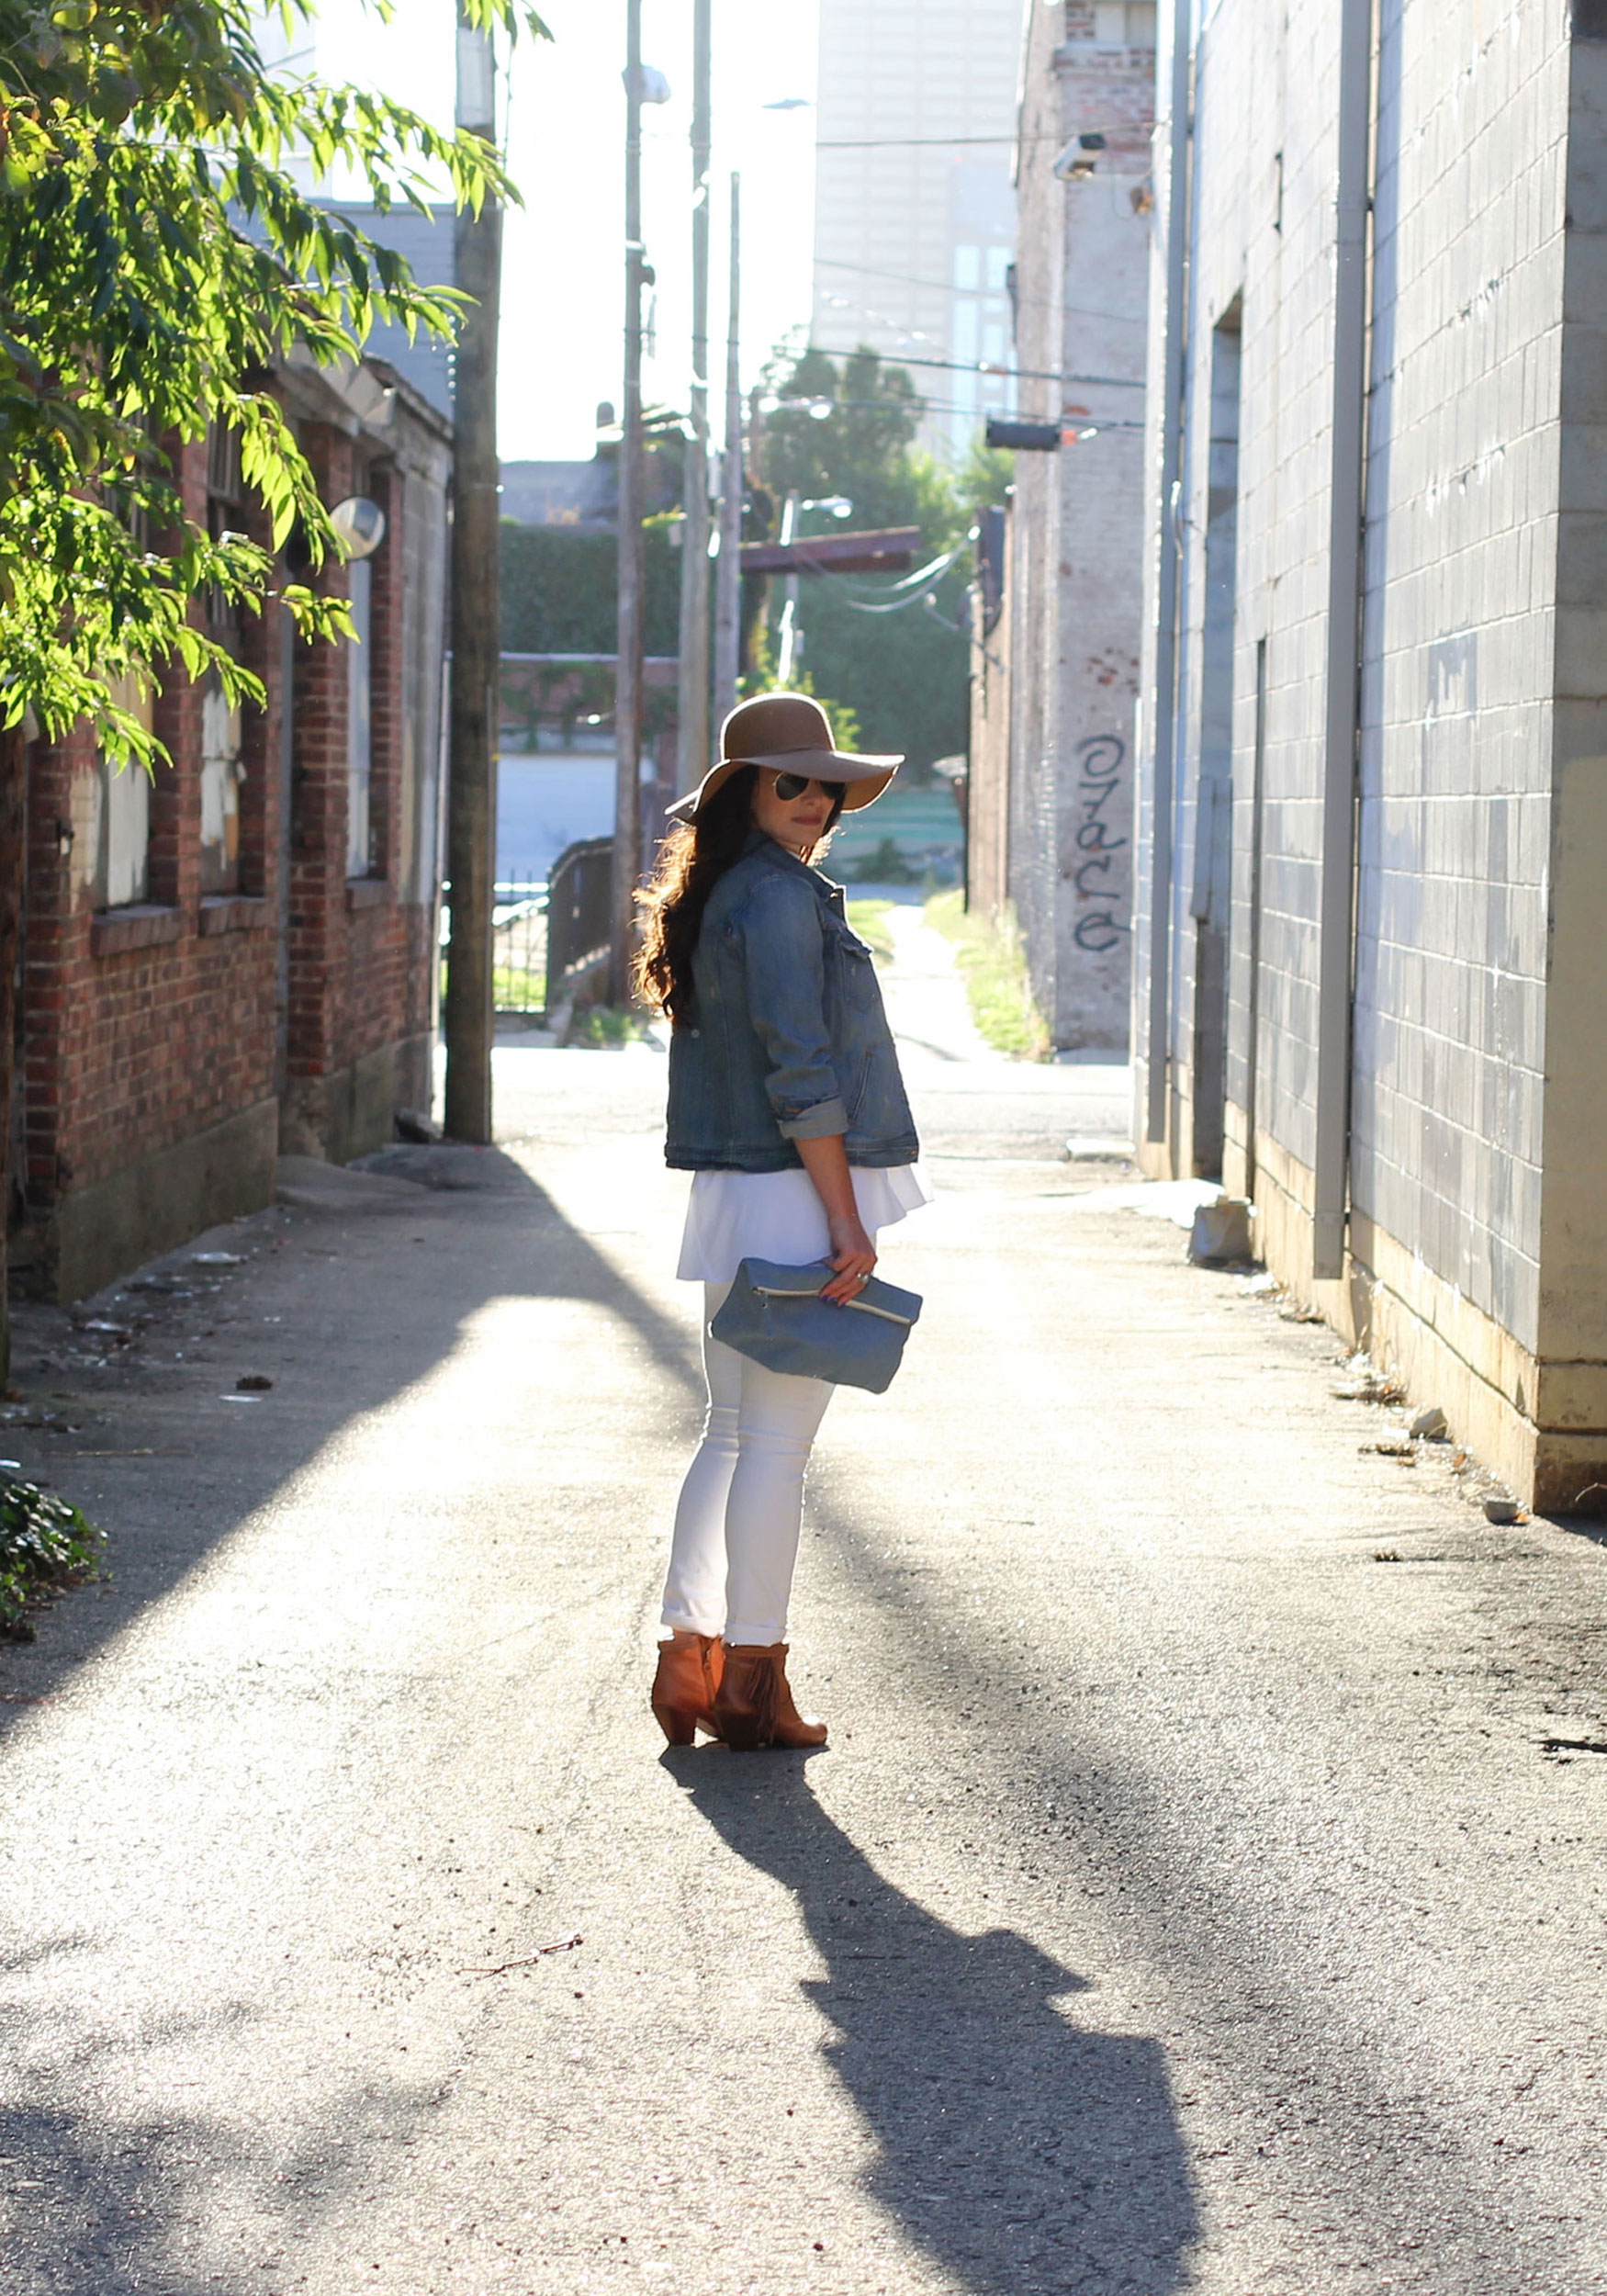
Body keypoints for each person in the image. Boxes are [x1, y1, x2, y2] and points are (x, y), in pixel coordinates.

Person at [634, 692, 930, 1752]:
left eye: (824, 785)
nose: (813, 800)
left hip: (735, 1189)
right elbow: (800, 1070)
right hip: (790, 1189)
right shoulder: (777, 902)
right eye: (789, 781)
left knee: (730, 1431)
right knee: (778, 1449)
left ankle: (690, 1656)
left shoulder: (731, 892)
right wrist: (846, 1221)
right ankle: (750, 1679)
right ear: (745, 793)